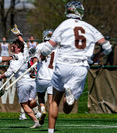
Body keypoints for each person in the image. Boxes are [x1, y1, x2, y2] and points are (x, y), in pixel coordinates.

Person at [39, 1, 112, 133]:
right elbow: (107, 47)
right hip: (81, 66)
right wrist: (96, 57)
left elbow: (46, 49)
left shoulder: (62, 26)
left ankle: (50, 131)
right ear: (80, 12)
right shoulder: (89, 27)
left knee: (55, 100)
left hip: (63, 65)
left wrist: (42, 55)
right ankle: (69, 95)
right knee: (68, 109)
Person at [0, 25, 41, 128]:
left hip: (22, 83)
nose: (12, 47)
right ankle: (39, 109)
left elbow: (8, 74)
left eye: (14, 47)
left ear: (18, 48)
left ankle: (36, 121)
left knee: (24, 104)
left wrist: (0, 77)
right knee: (31, 102)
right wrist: (18, 34)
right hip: (31, 81)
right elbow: (24, 44)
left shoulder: (14, 60)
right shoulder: (25, 53)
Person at [32, 29, 56, 126]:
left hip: (42, 76)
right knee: (51, 101)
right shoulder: (56, 48)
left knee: (41, 96)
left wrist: (33, 67)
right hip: (53, 77)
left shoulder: (40, 46)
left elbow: (35, 59)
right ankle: (51, 121)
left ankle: (42, 109)